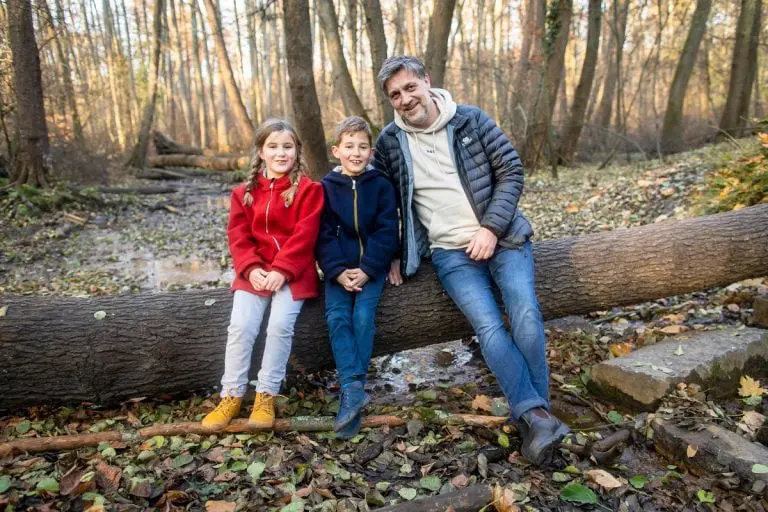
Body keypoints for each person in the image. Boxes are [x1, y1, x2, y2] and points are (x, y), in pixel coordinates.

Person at [371, 56, 569, 466]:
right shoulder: (390, 142)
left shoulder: (470, 120)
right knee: (489, 327)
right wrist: (391, 253)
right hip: (450, 254)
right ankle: (538, 418)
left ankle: (535, 416)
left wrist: (491, 229)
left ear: (427, 81)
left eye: (411, 88)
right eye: (396, 95)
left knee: (526, 315)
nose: (406, 99)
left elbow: (511, 171)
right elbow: (380, 199)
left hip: (504, 238)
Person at [202, 119, 324, 430]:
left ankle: (266, 395)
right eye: (273, 146)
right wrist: (252, 268)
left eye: (287, 146)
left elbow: (304, 235)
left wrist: (282, 270)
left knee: (280, 326)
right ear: (261, 151)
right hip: (253, 273)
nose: (281, 153)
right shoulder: (243, 192)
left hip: (293, 273)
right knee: (241, 326)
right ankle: (230, 394)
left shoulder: (309, 190)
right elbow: (238, 235)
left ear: (297, 150)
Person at [316, 116, 399, 439]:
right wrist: (336, 271)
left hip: (371, 269)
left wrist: (367, 269)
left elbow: (387, 231)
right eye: (349, 146)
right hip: (338, 273)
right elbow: (322, 235)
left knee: (363, 317)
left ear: (371, 150)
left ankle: (352, 389)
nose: (356, 152)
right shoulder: (325, 188)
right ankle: (354, 387)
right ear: (336, 150)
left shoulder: (380, 185)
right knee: (337, 317)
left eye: (363, 146)